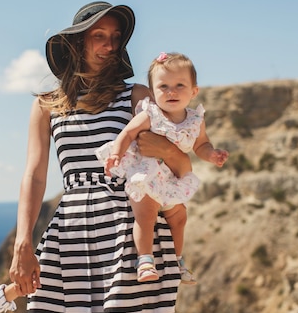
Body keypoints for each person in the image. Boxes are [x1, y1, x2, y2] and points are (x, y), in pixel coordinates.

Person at [9, 1, 193, 313]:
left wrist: (166, 150)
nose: (109, 46)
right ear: (77, 43)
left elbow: (177, 158)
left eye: (115, 38)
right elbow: (35, 174)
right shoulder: (46, 105)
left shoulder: (136, 95)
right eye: (99, 36)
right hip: (70, 234)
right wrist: (23, 241)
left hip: (128, 230)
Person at [96, 52, 229, 284]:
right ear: (153, 92)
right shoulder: (151, 114)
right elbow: (128, 133)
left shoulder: (195, 120)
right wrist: (116, 153)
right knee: (145, 216)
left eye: (180, 85)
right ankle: (145, 260)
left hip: (171, 181)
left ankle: (177, 260)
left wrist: (212, 155)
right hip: (146, 176)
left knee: (179, 217)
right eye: (164, 86)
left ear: (193, 91)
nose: (172, 91)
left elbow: (201, 145)